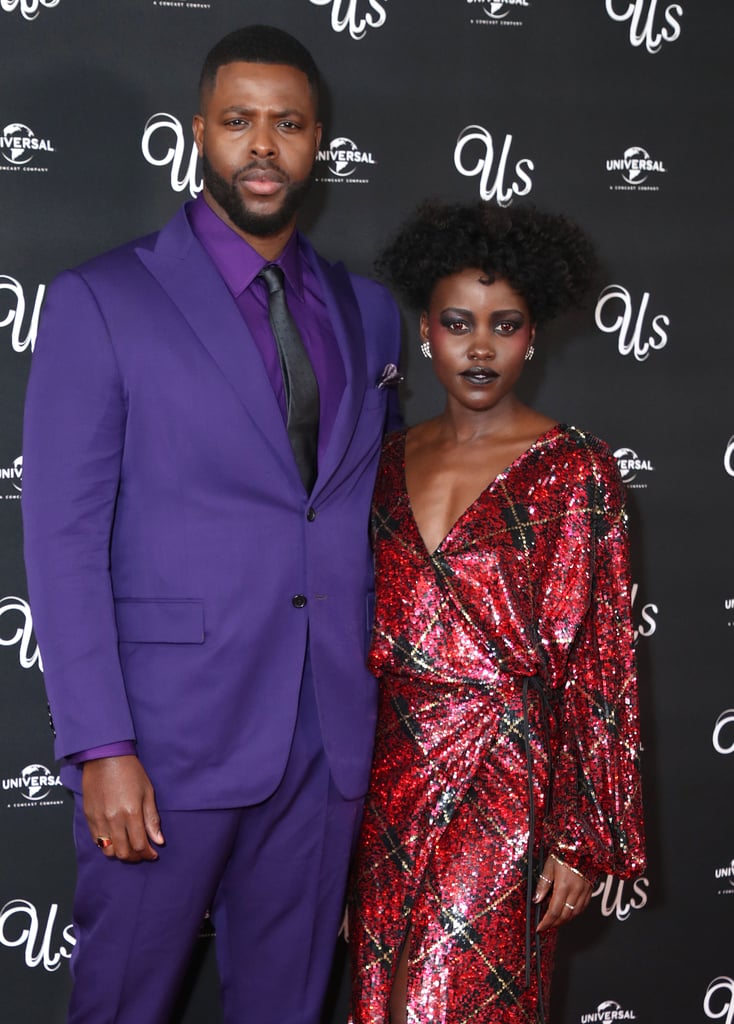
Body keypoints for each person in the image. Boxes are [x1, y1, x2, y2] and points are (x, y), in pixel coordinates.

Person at [22, 24, 401, 1024]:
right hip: (165, 737)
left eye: (286, 124)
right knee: (121, 1003)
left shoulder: (368, 314)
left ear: (318, 141)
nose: (262, 146)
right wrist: (100, 743)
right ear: (199, 133)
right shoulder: (101, 301)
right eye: (238, 121)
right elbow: (61, 542)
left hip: (325, 739)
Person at [348, 200, 645, 1024]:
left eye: (504, 324)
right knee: (385, 997)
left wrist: (582, 833)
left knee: (447, 1002)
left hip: (504, 772)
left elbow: (600, 662)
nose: (479, 346)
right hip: (390, 770)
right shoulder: (381, 460)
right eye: (458, 322)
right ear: (424, 332)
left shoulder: (574, 470)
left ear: (533, 335)